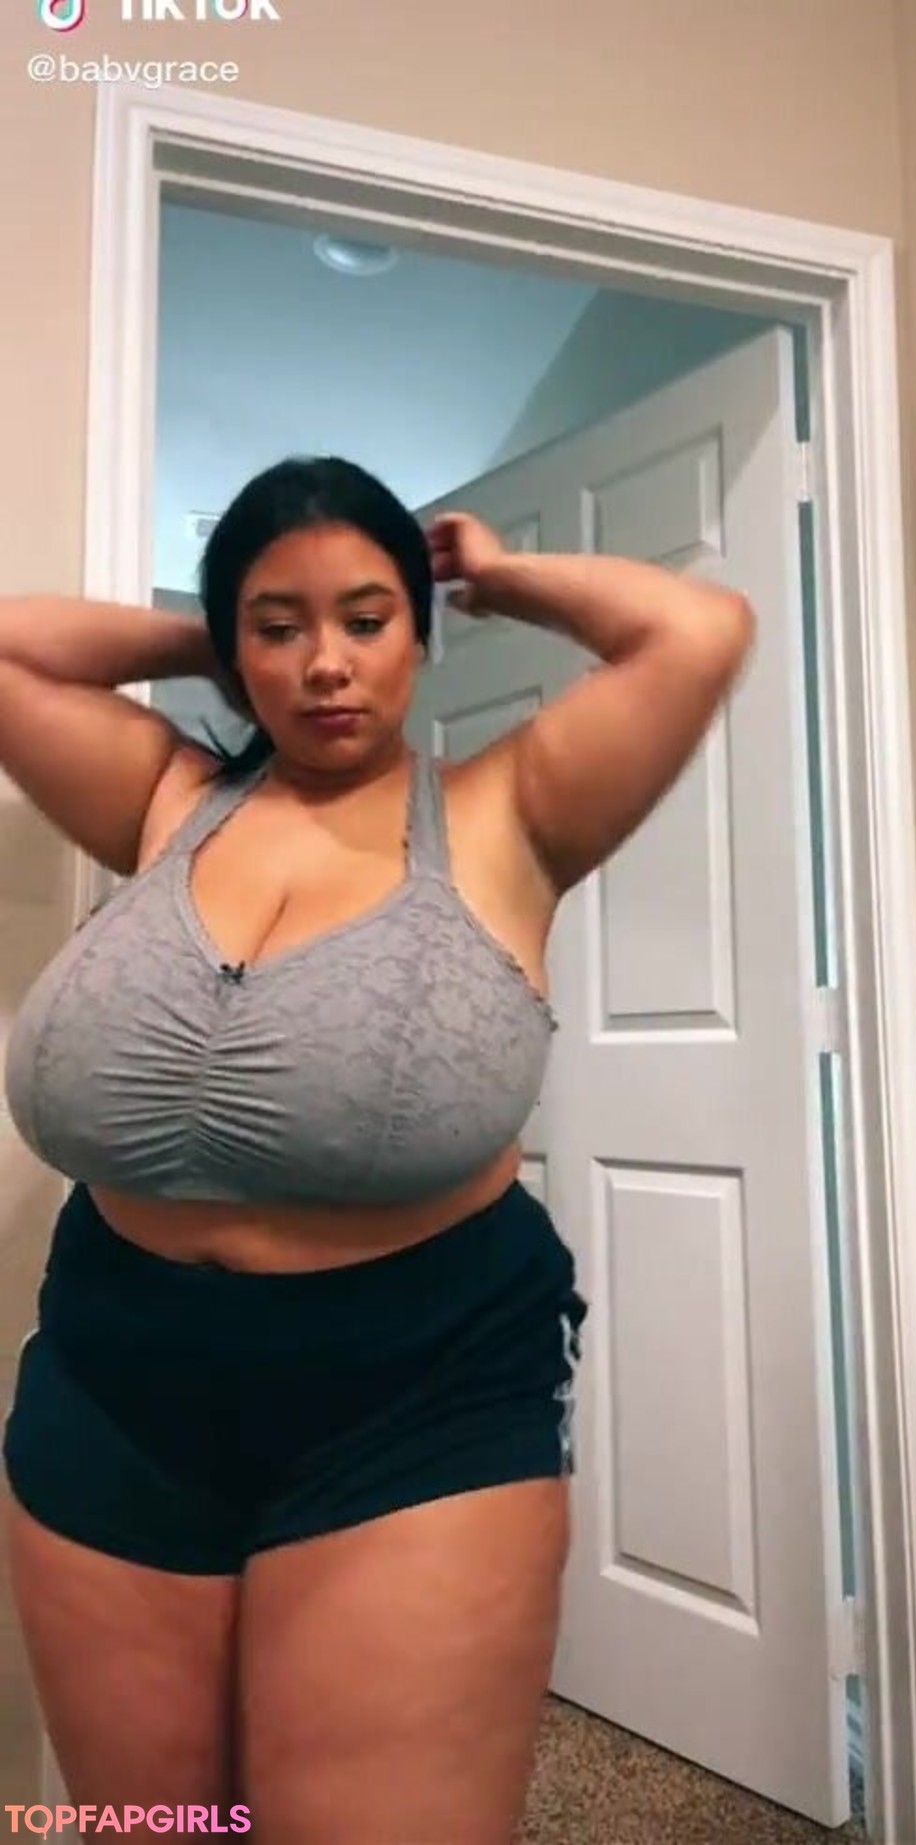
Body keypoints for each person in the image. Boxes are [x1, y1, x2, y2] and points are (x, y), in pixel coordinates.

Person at [0, 455, 755, 1845]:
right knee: (154, 1831)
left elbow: (697, 630)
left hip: (415, 1391)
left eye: (365, 618)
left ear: (420, 631)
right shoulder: (166, 799)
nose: (326, 665)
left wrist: (495, 570)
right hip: (115, 1379)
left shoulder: (513, 811)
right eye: (280, 629)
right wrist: (212, 632)